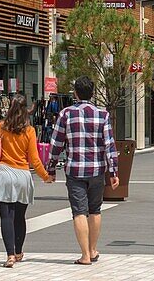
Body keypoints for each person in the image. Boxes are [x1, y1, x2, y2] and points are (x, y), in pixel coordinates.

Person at [48, 76, 119, 266]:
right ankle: (93, 249)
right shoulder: (102, 115)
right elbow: (109, 146)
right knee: (95, 210)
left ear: (76, 93)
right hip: (97, 170)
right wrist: (113, 172)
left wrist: (51, 168)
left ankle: (85, 255)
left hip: (75, 170)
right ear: (93, 93)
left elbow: (56, 144)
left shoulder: (65, 114)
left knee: (79, 212)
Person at [0, 93, 54, 268]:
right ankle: (19, 251)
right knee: (19, 217)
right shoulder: (29, 130)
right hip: (22, 176)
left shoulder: (0, 127)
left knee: (6, 217)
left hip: (4, 175)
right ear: (25, 110)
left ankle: (10, 256)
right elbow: (34, 160)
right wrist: (46, 176)